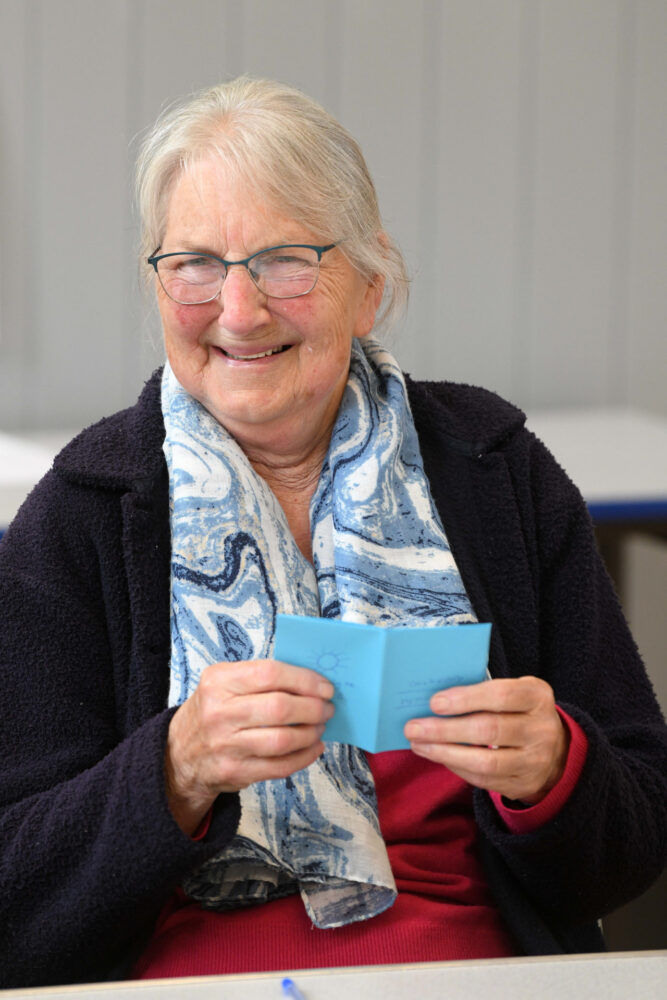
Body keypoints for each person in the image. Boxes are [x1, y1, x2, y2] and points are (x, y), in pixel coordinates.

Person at [0, 77, 665, 989]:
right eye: (193, 262)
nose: (237, 310)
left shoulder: (490, 468)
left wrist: (554, 771)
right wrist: (175, 769)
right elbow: (13, 897)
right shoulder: (85, 511)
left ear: (370, 288)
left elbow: (637, 836)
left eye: (284, 259)